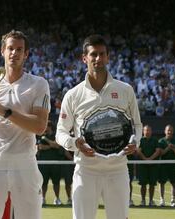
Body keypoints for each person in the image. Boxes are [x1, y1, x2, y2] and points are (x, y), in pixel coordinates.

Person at [55, 34, 142, 219]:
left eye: (102, 54)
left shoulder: (125, 90)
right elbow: (60, 132)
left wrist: (136, 141)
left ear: (108, 57)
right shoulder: (73, 94)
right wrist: (74, 143)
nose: (98, 59)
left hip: (118, 169)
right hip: (85, 170)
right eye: (93, 54)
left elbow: (137, 125)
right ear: (84, 58)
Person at [0, 30, 50, 219]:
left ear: (26, 54)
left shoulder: (38, 84)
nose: (14, 53)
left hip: (25, 163)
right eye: (10, 48)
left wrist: (3, 111)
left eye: (19, 49)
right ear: (2, 51)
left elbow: (39, 126)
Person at [37, 120, 63, 205]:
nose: (44, 128)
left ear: (49, 127)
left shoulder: (56, 135)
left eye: (46, 126)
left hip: (55, 163)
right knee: (44, 182)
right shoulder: (41, 135)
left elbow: (57, 145)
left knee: (56, 182)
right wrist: (51, 146)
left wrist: (47, 140)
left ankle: (57, 199)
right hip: (44, 163)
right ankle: (43, 198)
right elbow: (40, 147)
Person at [136, 125, 161, 206]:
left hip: (153, 166)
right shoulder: (140, 140)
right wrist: (145, 159)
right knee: (143, 184)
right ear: (143, 131)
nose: (147, 132)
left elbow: (157, 151)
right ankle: (143, 201)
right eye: (146, 130)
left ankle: (151, 200)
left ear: (151, 131)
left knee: (152, 184)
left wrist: (150, 159)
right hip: (143, 166)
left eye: (149, 130)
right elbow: (139, 151)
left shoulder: (155, 140)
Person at [158, 125, 175, 207]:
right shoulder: (161, 141)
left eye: (171, 130)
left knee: (174, 183)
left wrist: (174, 149)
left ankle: (173, 199)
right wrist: (168, 147)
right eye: (168, 130)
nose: (169, 132)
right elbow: (161, 153)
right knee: (162, 183)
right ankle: (162, 199)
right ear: (165, 131)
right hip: (163, 165)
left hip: (174, 165)